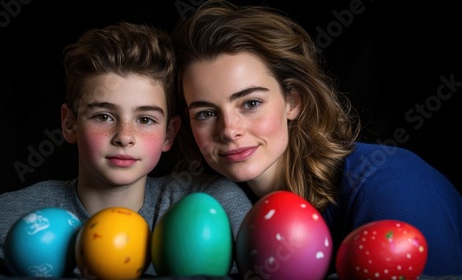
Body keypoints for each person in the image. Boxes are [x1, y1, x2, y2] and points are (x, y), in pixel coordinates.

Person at [171, 0, 462, 278]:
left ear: (293, 102)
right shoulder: (215, 210)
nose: (229, 130)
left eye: (250, 103)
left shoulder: (391, 184)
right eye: (206, 113)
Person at [0, 21, 252, 277]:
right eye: (103, 116)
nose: (124, 136)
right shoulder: (6, 218)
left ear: (169, 133)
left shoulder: (216, 204)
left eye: (145, 120)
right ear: (70, 123)